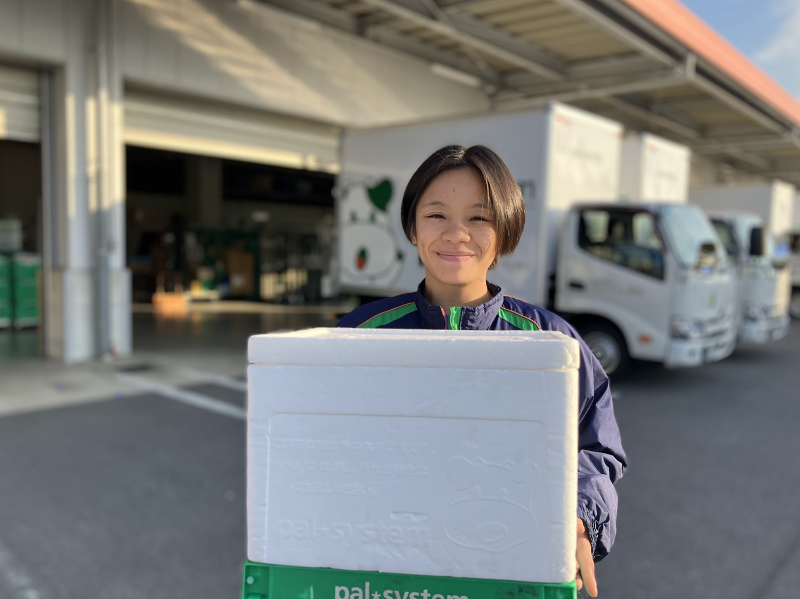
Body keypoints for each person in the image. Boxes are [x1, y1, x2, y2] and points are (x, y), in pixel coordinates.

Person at [338, 145, 626, 597]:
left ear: (505, 231)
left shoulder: (552, 343)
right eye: (436, 215)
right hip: (385, 564)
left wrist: (580, 516)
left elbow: (597, 447)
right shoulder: (357, 334)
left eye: (478, 218)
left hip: (512, 560)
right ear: (412, 228)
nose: (456, 234)